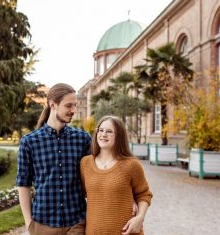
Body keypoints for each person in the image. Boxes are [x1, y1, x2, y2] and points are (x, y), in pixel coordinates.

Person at [16, 83, 91, 235]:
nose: (74, 111)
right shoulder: (29, 142)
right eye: (69, 106)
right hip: (43, 224)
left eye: (75, 105)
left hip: (76, 223)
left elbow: (100, 173)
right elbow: (23, 184)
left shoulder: (83, 139)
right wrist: (29, 223)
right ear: (53, 105)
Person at [80, 115, 152, 235]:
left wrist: (139, 218)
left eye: (109, 131)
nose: (103, 134)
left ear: (119, 136)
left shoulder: (131, 165)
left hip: (125, 232)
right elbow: (83, 193)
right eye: (101, 130)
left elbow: (144, 194)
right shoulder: (85, 163)